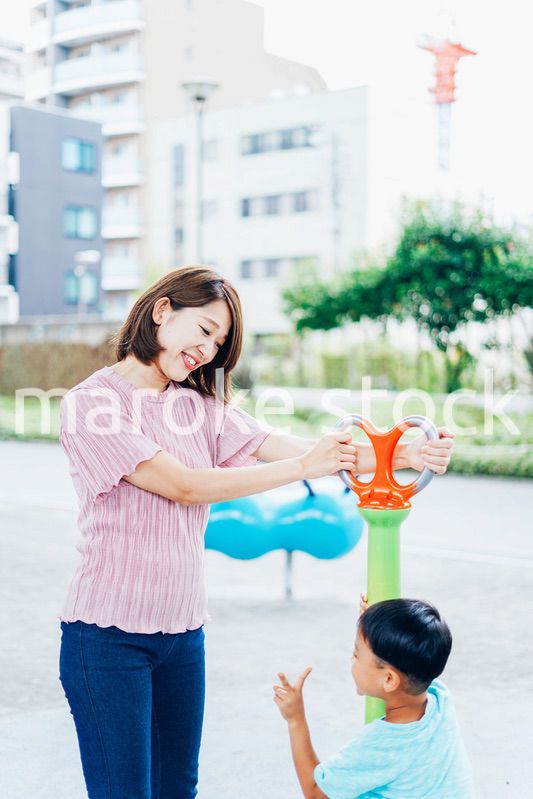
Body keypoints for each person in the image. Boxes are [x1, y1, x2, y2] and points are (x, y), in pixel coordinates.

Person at [58, 265, 454, 799]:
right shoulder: (92, 405)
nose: (208, 350)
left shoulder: (197, 407)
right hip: (107, 638)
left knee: (178, 789)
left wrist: (406, 452)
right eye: (203, 330)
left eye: (218, 343)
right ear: (162, 310)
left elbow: (301, 450)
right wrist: (305, 469)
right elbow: (184, 486)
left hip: (181, 634)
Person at [273, 597, 475, 799]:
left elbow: (316, 793)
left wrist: (295, 719)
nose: (352, 659)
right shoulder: (440, 696)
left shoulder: (384, 745)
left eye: (356, 654)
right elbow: (410, 652)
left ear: (388, 679)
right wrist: (377, 626)